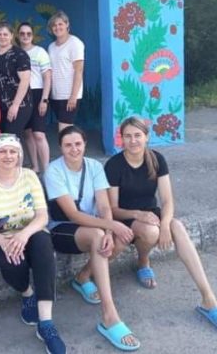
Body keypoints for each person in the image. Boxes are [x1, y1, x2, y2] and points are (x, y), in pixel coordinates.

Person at [105, 116, 217, 334]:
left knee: (177, 228)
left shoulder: (157, 159)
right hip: (126, 216)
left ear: (147, 137)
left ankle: (209, 299)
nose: (133, 140)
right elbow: (113, 208)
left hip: (152, 215)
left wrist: (165, 225)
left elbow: (167, 201)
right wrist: (138, 214)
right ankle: (143, 261)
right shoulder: (114, 165)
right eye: (127, 136)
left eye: (137, 135)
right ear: (121, 139)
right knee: (150, 231)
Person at [44, 125, 140, 351]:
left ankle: (83, 277)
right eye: (68, 145)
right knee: (101, 235)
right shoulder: (53, 171)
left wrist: (110, 232)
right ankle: (109, 316)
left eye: (78, 144)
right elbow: (72, 214)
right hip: (62, 229)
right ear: (60, 148)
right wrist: (110, 226)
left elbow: (104, 205)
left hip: (95, 225)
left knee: (121, 238)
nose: (74, 149)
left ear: (85, 144)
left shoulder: (94, 166)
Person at [0, 134, 66, 354]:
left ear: (19, 155)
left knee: (43, 242)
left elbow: (42, 216)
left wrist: (22, 236)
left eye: (13, 151)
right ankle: (27, 293)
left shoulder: (29, 176)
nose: (8, 156)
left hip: (28, 233)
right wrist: (3, 241)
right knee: (13, 260)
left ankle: (46, 323)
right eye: (2, 151)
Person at [0, 23, 32, 139]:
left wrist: (15, 106)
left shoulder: (19, 54)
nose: (2, 37)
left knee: (9, 138)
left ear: (11, 36)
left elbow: (25, 80)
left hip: (19, 104)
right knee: (1, 139)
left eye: (5, 34)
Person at [17, 22, 52, 174]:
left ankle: (47, 170)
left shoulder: (40, 52)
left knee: (39, 134)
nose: (25, 36)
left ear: (32, 35)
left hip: (38, 94)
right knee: (27, 133)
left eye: (29, 33)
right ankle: (35, 166)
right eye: (22, 33)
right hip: (22, 95)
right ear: (18, 35)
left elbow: (47, 77)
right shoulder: (15, 53)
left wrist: (44, 99)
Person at [47, 11, 84, 131]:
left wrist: (73, 96)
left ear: (67, 24)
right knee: (65, 129)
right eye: (54, 25)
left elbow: (79, 71)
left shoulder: (75, 43)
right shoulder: (51, 46)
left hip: (69, 95)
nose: (57, 27)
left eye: (60, 24)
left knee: (64, 129)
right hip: (55, 95)